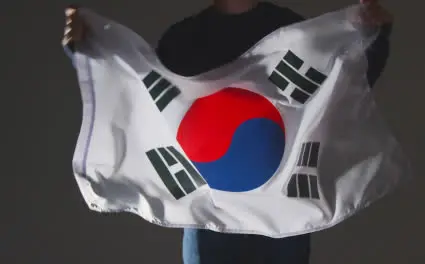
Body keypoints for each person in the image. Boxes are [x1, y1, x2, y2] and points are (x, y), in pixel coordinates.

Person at [63, 1, 393, 263]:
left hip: (282, 210)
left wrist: (373, 34)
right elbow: (143, 100)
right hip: (210, 212)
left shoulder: (294, 31)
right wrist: (88, 49)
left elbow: (339, 89)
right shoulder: (185, 38)